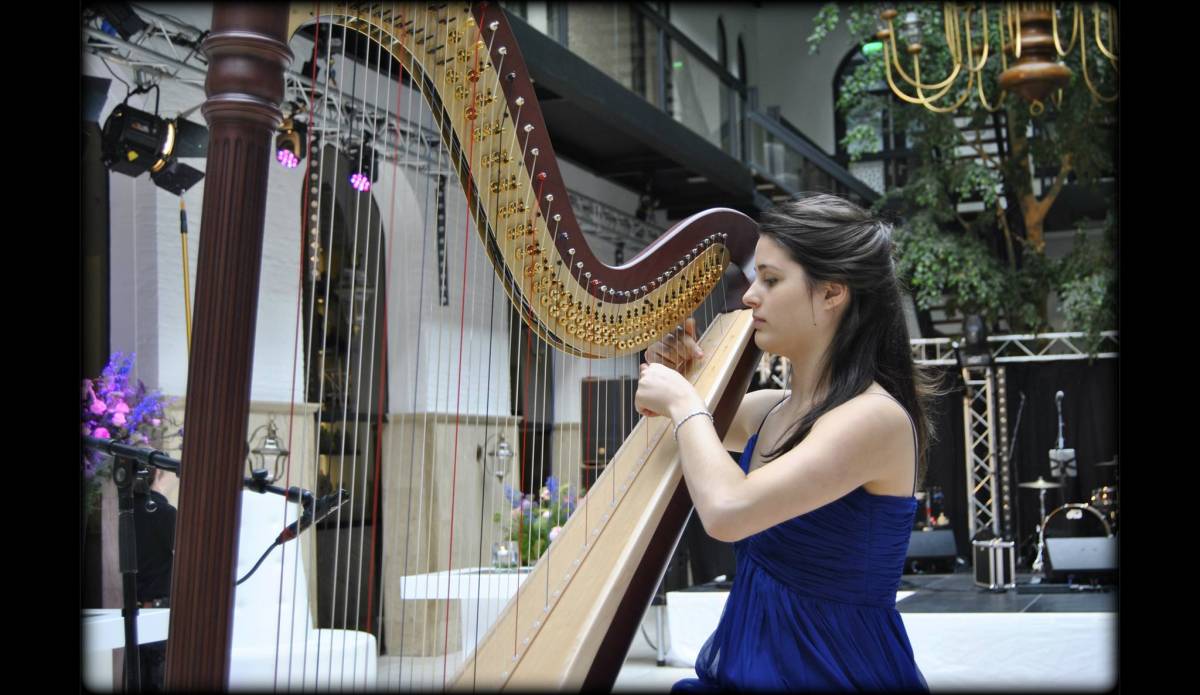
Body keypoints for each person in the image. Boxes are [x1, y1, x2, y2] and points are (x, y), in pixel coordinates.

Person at [636, 193, 940, 691]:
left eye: (771, 280)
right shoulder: (771, 410)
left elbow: (727, 511)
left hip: (833, 672)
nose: (750, 296)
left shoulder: (874, 418)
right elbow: (661, 427)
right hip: (750, 665)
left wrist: (684, 402)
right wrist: (673, 370)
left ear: (831, 293)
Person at [133, 466, 178, 691]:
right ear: (159, 473)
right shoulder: (165, 513)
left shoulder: (126, 510)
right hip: (158, 613)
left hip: (129, 613)